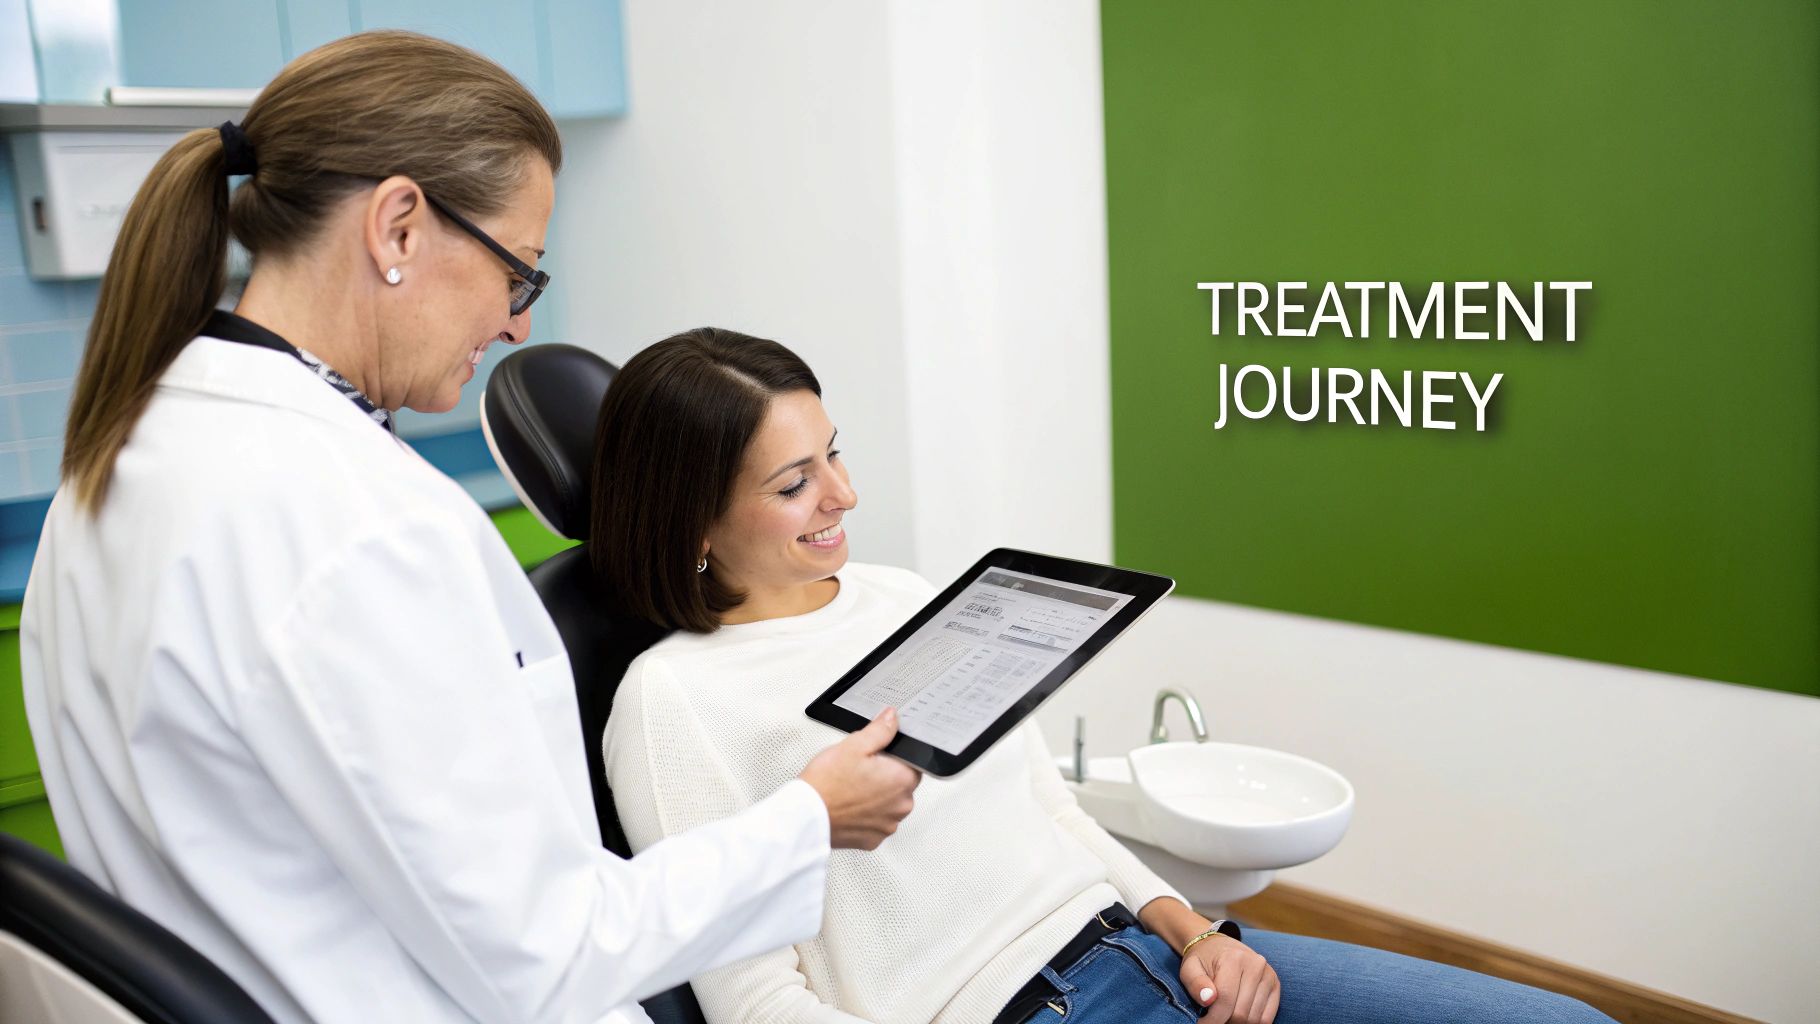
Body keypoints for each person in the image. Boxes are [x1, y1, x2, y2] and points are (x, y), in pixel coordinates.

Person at [20, 32, 918, 1024]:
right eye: (517, 272)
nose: (517, 325)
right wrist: (808, 819)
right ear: (399, 226)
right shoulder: (359, 523)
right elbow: (545, 952)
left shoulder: (111, 463)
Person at [592, 328, 1619, 1024]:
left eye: (833, 453)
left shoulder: (900, 596)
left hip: (1150, 949)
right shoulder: (672, 699)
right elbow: (754, 1001)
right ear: (690, 516)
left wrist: (1196, 930)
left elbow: (1052, 813)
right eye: (792, 482)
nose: (844, 493)